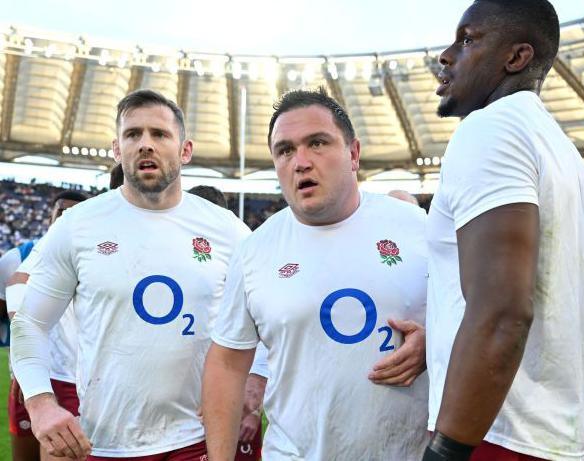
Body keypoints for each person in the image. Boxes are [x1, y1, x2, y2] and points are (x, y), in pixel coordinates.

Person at [10, 89, 251, 459]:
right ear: (117, 149)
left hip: (197, 439)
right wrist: (41, 403)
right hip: (104, 441)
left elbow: (268, 312)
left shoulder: (226, 229)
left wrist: (258, 380)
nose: (145, 145)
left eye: (159, 134)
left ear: (185, 150)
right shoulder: (78, 225)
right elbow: (29, 323)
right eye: (133, 134)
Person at [202, 88, 429, 461]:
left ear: (353, 153)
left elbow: (479, 320)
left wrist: (434, 343)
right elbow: (226, 362)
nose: (301, 162)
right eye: (285, 150)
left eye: (317, 143)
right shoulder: (255, 251)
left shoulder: (418, 229)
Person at [425, 1, 584, 460]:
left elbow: (503, 312)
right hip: (560, 434)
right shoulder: (558, 146)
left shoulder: (489, 129)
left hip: (501, 433)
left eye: (467, 40)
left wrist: (446, 451)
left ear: (516, 57)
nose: (446, 55)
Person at [0, 190, 86, 461]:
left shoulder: (88, 254)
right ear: (50, 213)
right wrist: (25, 355)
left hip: (71, 378)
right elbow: (11, 292)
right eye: (60, 211)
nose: (65, 216)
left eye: (73, 212)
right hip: (31, 375)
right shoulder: (18, 256)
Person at [187, 183, 266, 461]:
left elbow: (263, 322)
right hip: (184, 408)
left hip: (231, 396)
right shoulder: (178, 258)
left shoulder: (242, 250)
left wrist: (254, 404)